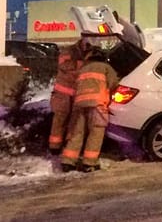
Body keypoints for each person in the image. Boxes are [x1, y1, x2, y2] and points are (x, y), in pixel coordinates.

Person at [60, 45, 119, 173]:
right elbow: (114, 83)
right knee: (96, 132)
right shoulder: (106, 68)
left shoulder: (83, 69)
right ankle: (89, 162)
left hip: (79, 104)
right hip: (97, 105)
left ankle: (68, 161)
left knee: (77, 132)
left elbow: (75, 86)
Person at [47, 36, 89, 154]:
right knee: (60, 119)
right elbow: (65, 67)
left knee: (74, 121)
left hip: (76, 94)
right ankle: (54, 147)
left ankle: (68, 145)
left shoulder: (85, 53)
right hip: (63, 93)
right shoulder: (69, 51)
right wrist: (83, 66)